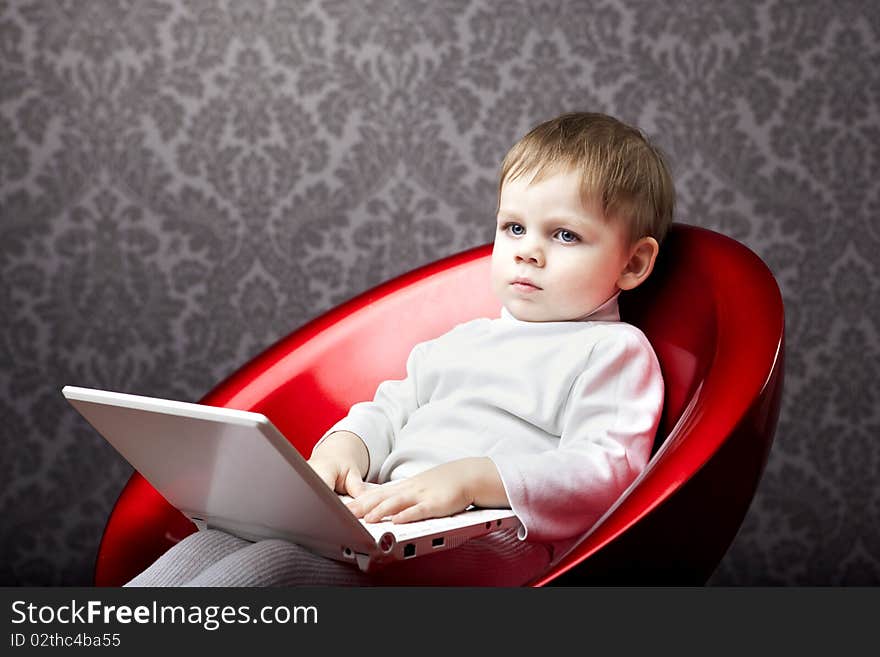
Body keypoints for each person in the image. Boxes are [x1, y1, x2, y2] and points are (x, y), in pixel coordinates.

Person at [125, 111, 675, 587]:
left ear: (633, 264)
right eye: (513, 228)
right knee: (206, 546)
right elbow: (388, 410)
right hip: (390, 519)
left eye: (564, 236)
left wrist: (472, 480)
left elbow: (607, 472)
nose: (528, 252)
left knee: (271, 568)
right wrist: (346, 447)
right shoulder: (461, 342)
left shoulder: (612, 351)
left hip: (490, 538)